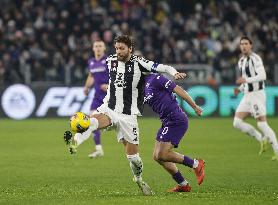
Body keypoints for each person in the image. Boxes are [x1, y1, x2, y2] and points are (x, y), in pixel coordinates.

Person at [64, 35, 186, 195]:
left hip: (128, 116)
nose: (118, 52)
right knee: (92, 122)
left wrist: (175, 73)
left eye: (122, 48)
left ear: (130, 49)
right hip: (110, 108)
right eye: (116, 48)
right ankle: (75, 143)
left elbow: (163, 67)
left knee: (134, 159)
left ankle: (139, 179)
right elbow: (105, 78)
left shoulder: (140, 63)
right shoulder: (110, 61)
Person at [144, 74, 205, 192]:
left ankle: (196, 164)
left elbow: (178, 90)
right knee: (157, 157)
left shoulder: (156, 78)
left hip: (176, 119)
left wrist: (194, 106)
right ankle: (183, 185)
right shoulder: (138, 85)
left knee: (162, 154)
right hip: (166, 121)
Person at [233, 36, 278, 161]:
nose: (244, 46)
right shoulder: (241, 61)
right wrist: (240, 88)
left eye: (246, 43)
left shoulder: (255, 58)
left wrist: (245, 80)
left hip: (257, 94)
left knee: (262, 124)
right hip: (247, 95)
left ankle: (277, 151)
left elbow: (262, 75)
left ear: (251, 45)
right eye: (242, 44)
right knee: (237, 122)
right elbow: (246, 78)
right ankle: (262, 139)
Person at [83, 40, 109, 158]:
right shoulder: (91, 62)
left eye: (100, 46)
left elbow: (118, 76)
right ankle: (99, 149)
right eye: (96, 46)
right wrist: (86, 87)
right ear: (93, 48)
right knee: (91, 120)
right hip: (97, 97)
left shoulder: (109, 61)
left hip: (110, 97)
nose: (98, 48)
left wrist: (109, 86)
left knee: (116, 124)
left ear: (104, 48)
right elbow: (91, 75)